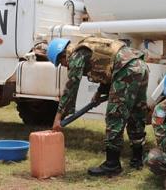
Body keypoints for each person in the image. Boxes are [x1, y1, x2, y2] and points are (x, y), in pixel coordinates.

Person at [48, 37, 149, 176]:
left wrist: (58, 117)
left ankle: (112, 164)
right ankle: (137, 159)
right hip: (139, 66)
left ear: (63, 55)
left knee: (115, 115)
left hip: (126, 69)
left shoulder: (76, 54)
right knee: (136, 113)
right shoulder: (86, 48)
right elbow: (108, 66)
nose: (65, 66)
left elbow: (71, 86)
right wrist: (99, 92)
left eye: (61, 63)